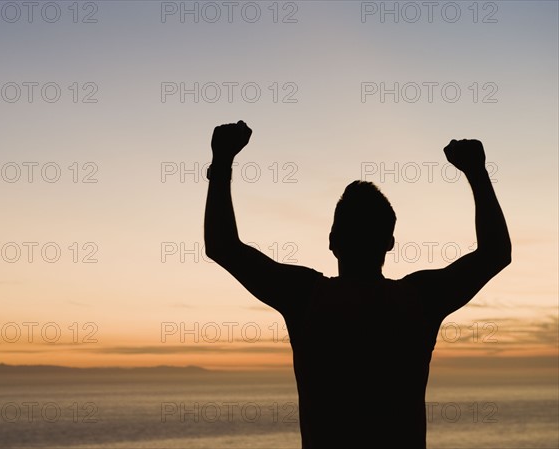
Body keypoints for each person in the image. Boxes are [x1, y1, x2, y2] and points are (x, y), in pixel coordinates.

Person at [204, 120, 511, 448]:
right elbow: (495, 253)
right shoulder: (418, 300)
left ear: (333, 240)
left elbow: (222, 246)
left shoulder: (305, 297)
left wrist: (222, 160)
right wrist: (476, 171)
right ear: (389, 242)